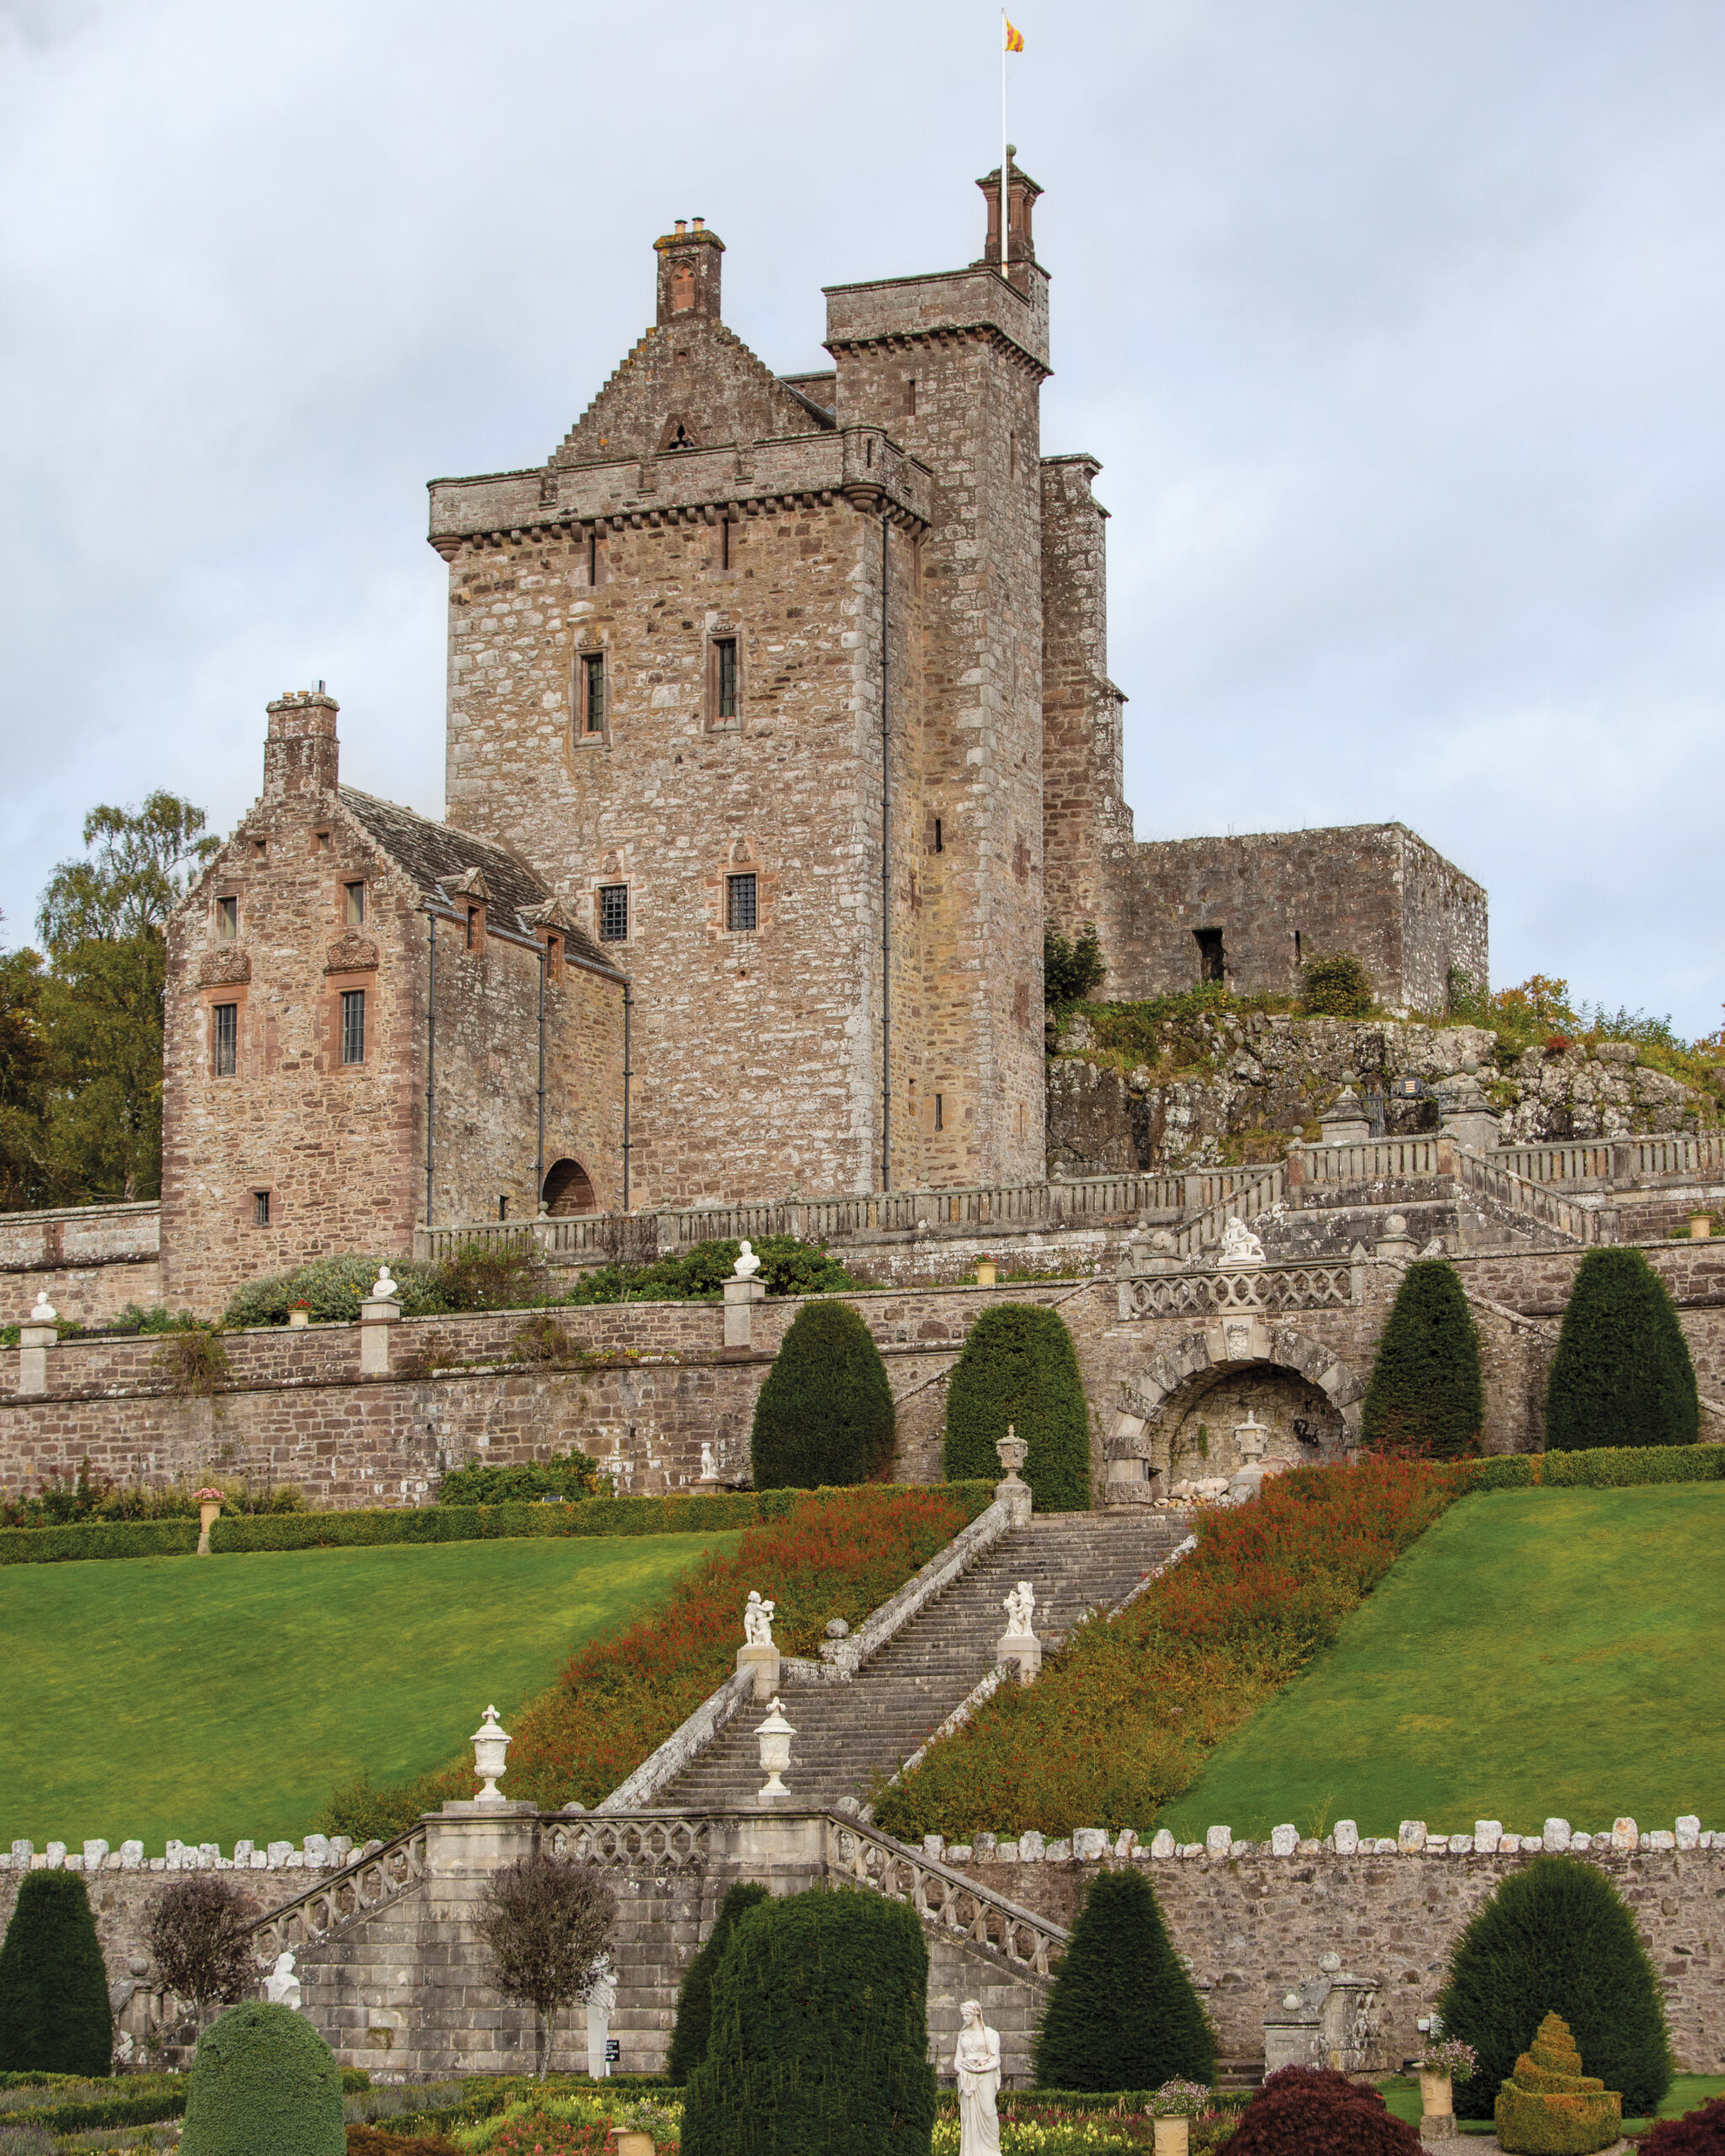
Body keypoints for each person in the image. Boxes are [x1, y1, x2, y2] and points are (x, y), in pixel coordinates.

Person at [954, 1999, 1001, 2156]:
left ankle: (993, 2151)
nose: (964, 2019)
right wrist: (964, 2070)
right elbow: (956, 2061)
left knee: (989, 2112)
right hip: (967, 2078)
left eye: (967, 2015)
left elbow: (996, 2060)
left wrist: (979, 2069)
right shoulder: (962, 2035)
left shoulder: (991, 2034)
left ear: (976, 2013)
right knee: (969, 2118)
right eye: (963, 2015)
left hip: (985, 2077)